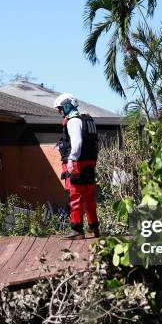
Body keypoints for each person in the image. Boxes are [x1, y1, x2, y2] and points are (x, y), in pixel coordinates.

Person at [54, 93, 100, 240]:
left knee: (74, 197)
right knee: (89, 196)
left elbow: (77, 143)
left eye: (60, 109)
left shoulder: (73, 121)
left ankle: (77, 230)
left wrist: (71, 160)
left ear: (67, 106)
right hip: (89, 163)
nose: (60, 112)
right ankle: (94, 228)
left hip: (77, 164)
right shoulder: (87, 120)